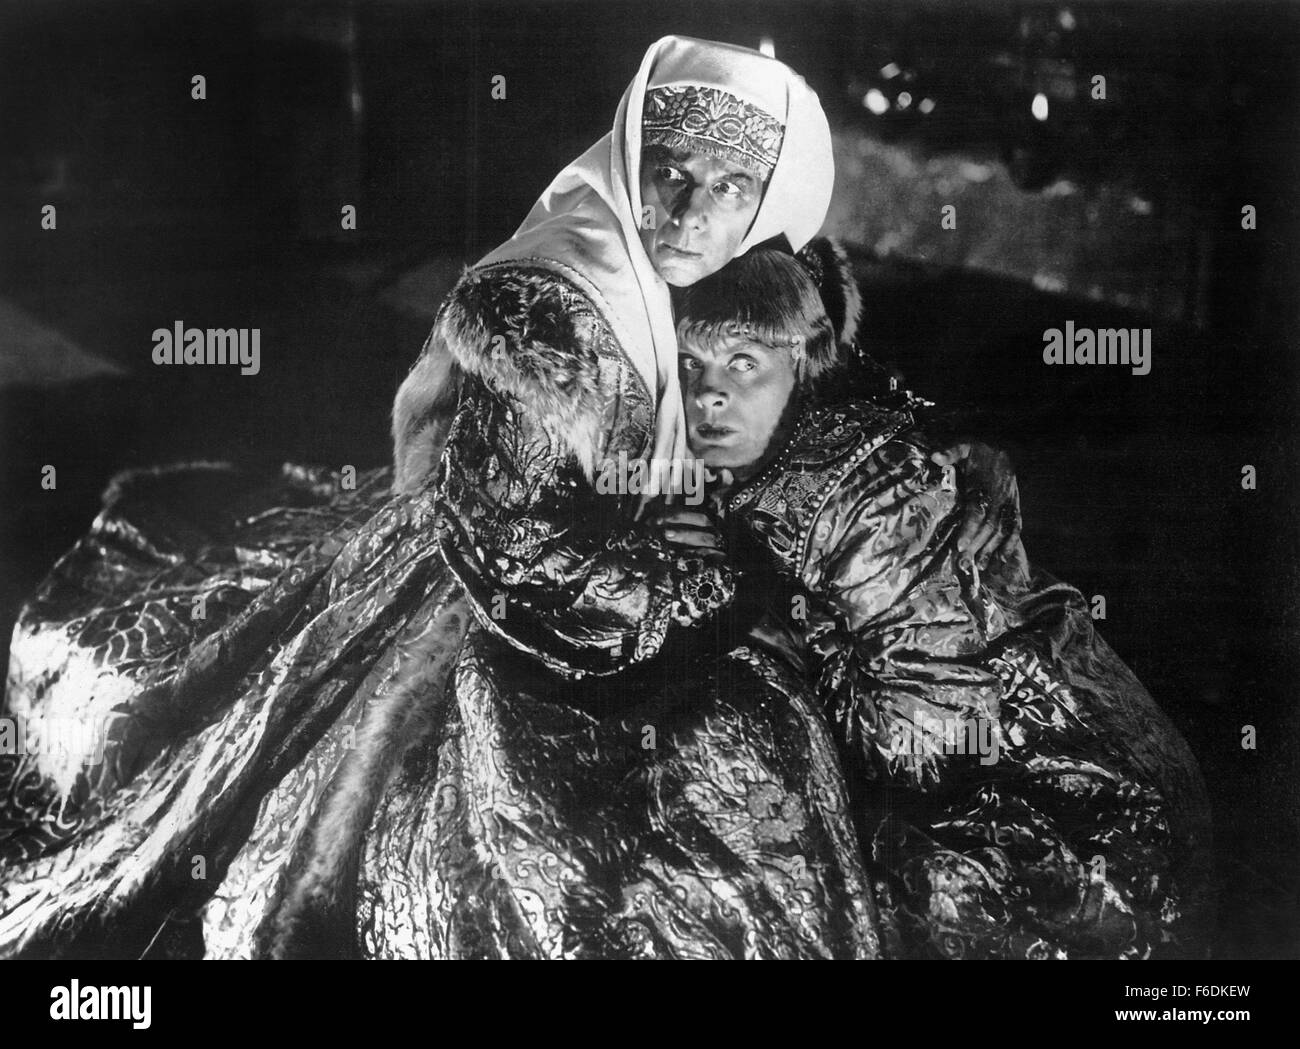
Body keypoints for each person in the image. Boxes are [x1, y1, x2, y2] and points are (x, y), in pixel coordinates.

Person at [0, 36, 1016, 960]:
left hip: (641, 568)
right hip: (517, 604)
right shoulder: (551, 315)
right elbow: (514, 544)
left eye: (731, 187)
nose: (691, 213)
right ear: (630, 161)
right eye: (668, 176)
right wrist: (702, 590)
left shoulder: (748, 272)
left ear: (776, 197)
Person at [670, 241, 1215, 958]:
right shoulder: (789, 438)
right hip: (1056, 776)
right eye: (690, 365)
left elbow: (927, 745)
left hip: (1086, 828)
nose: (710, 394)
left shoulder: (856, 499)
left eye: (743, 363)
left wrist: (770, 618)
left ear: (805, 358)